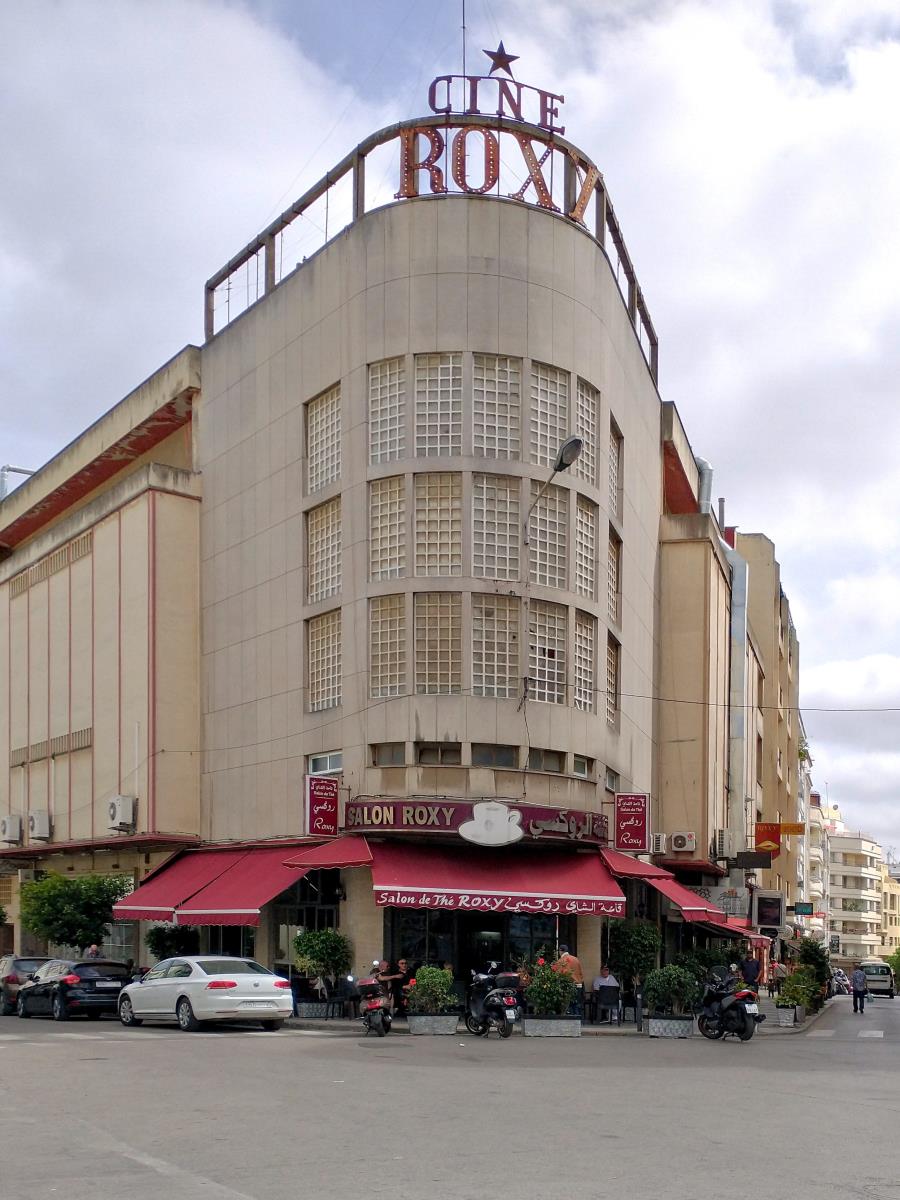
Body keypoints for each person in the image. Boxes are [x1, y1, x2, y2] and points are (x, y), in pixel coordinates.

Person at [553, 944, 584, 1017]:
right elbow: (581, 973)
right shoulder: (576, 959)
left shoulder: (560, 961)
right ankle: (578, 1023)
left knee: (567, 1006)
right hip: (578, 985)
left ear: (560, 951)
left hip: (567, 986)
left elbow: (558, 975)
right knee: (576, 1005)